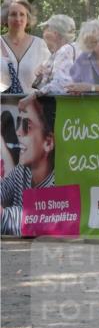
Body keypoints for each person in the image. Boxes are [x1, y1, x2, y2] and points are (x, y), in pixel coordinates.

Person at [1, 96, 56, 237]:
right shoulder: (23, 169)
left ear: (48, 143)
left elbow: (36, 221)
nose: (18, 132)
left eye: (27, 126)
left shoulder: (59, 182)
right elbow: (4, 190)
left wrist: (4, 215)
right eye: (18, 122)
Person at [1, 0, 48, 95]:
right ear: (5, 18)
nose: (18, 19)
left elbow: (49, 79)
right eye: (13, 14)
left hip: (32, 107)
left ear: (28, 19)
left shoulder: (40, 45)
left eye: (22, 14)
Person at [27, 15, 78, 96]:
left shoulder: (65, 51)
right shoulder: (60, 53)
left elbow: (62, 85)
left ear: (55, 34)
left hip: (66, 106)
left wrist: (34, 96)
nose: (43, 33)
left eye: (46, 29)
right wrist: (42, 75)